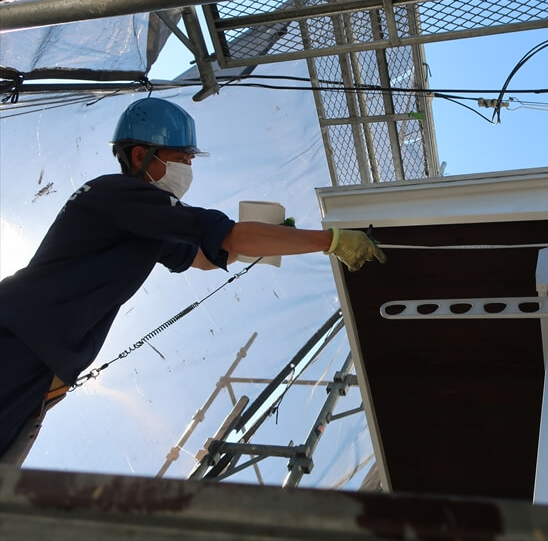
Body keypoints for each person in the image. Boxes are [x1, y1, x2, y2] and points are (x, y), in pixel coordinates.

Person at [0, 97, 385, 465]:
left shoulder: (141, 222)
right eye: (182, 157)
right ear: (140, 156)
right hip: (18, 341)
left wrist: (265, 240)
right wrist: (330, 240)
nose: (188, 168)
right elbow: (222, 236)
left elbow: (201, 258)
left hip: (39, 363)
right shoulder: (121, 193)